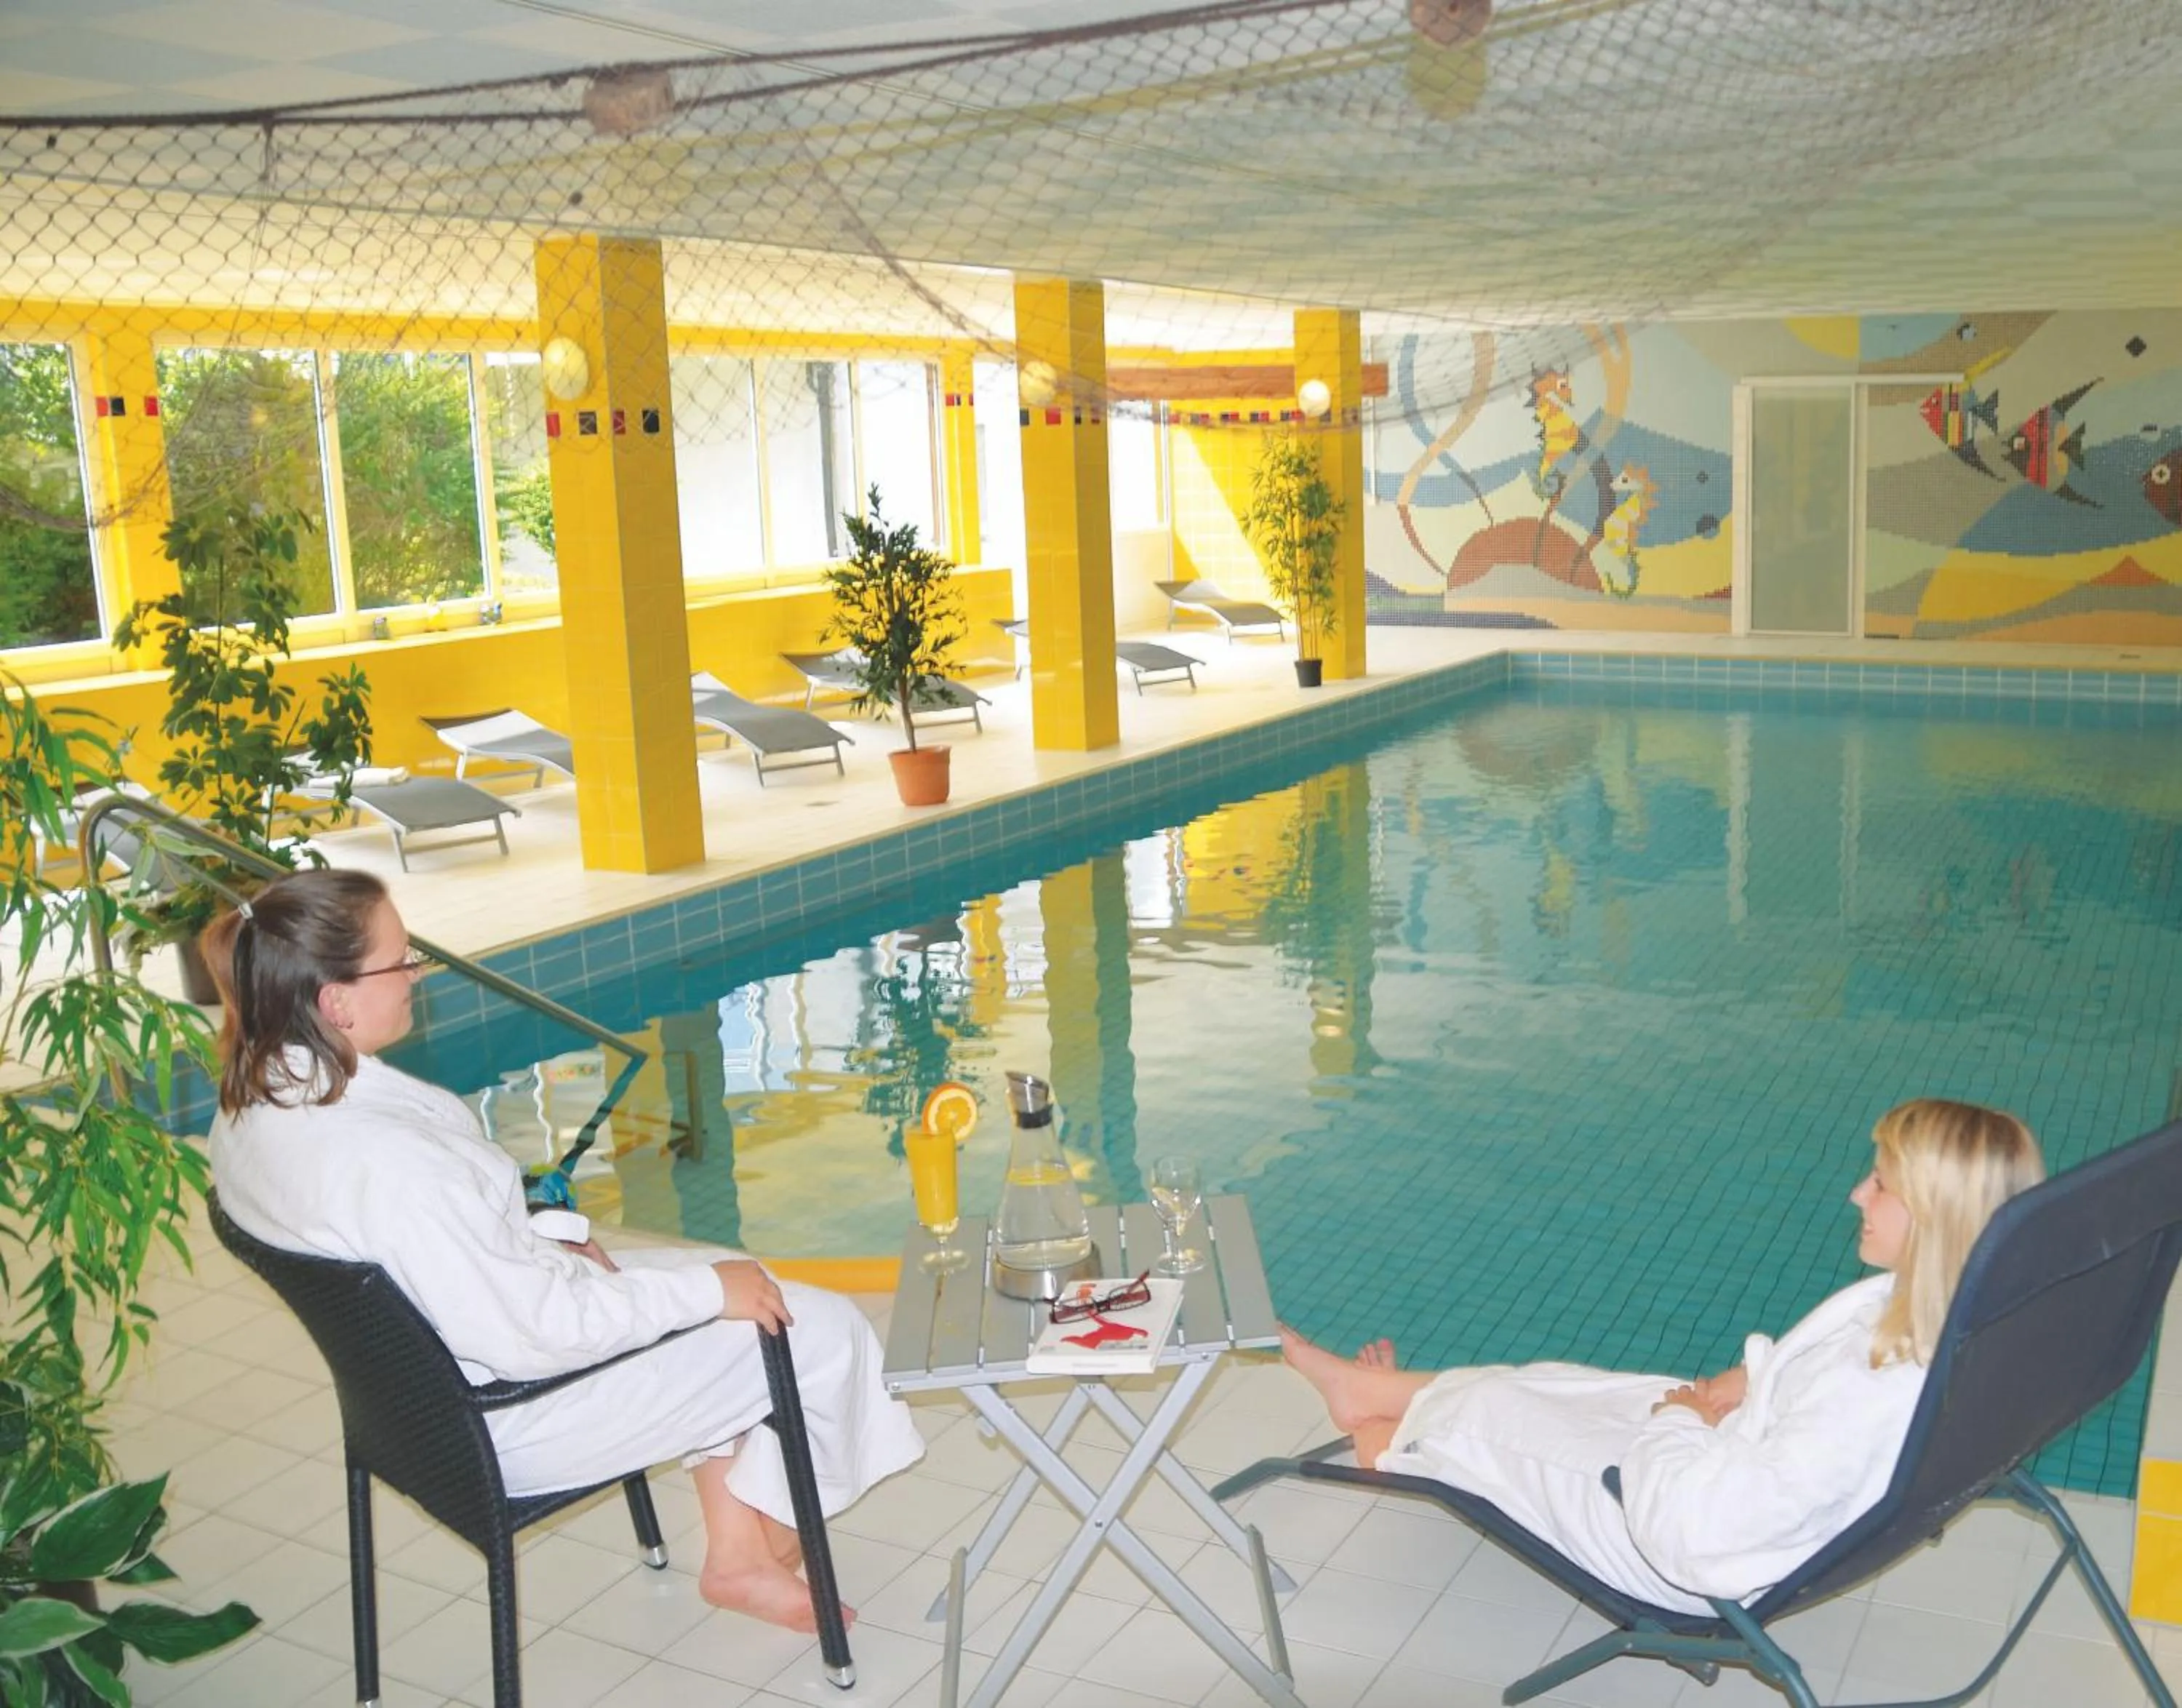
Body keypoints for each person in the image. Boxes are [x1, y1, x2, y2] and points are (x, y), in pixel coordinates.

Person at [203, 869, 925, 1632]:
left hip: (416, 1401)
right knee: (814, 1327)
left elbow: (452, 1257)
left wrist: (566, 1240)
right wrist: (703, 1294)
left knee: (731, 1275)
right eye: (400, 958)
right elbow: (535, 1331)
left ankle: (738, 1551)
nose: (417, 971)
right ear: (335, 1001)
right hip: (512, 1411)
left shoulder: (255, 1104)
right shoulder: (386, 1163)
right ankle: (762, 1548)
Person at [1280, 1098, 2044, 1613]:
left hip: (1667, 1538)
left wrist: (1680, 1423)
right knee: (1559, 1385)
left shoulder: (1872, 1389)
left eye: (1879, 1182)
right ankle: (1370, 1389)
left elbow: (1704, 1529)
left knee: (1491, 1415)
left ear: (1933, 1215)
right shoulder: (1947, 1320)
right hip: (1731, 1460)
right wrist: (1747, 1382)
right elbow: (1815, 1415)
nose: (1855, 1192)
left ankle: (1383, 1442)